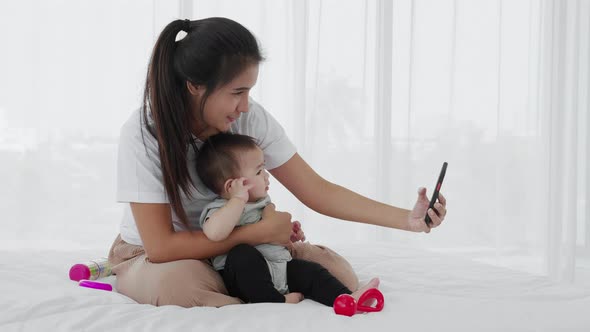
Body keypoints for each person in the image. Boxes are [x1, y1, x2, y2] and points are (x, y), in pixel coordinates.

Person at [108, 17, 447, 308]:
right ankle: (254, 291)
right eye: (237, 92)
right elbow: (162, 246)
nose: (245, 106)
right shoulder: (144, 134)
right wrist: (259, 232)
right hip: (161, 256)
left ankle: (248, 289)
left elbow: (317, 190)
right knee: (183, 283)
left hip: (244, 249)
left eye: (249, 92)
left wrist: (408, 219)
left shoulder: (247, 119)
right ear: (195, 85)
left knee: (338, 273)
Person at [195, 132, 380, 305]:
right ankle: (276, 300)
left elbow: (272, 234)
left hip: (279, 267)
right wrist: (237, 199)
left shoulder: (261, 203)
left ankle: (344, 298)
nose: (267, 176)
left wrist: (288, 234)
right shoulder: (220, 209)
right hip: (245, 279)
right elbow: (215, 233)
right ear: (232, 185)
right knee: (242, 254)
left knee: (312, 271)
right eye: (259, 172)